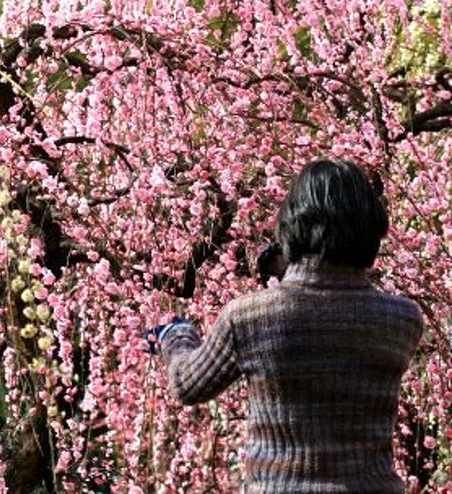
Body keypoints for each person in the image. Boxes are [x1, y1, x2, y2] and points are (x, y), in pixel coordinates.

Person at [147, 158, 424, 493]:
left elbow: (187, 384)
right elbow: (333, 322)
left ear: (292, 225)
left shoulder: (251, 317)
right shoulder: (402, 319)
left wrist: (175, 335)